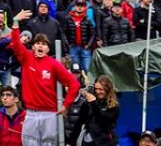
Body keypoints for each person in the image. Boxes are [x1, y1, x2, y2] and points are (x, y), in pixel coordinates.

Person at [9, 10, 80, 146]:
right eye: (38, 43)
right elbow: (16, 44)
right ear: (33, 46)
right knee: (29, 143)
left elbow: (74, 84)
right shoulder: (27, 58)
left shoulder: (54, 64)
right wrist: (15, 22)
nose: (40, 45)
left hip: (49, 113)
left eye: (44, 44)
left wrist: (66, 105)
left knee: (49, 143)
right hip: (31, 112)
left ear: (48, 49)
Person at [72, 75, 120, 145]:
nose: (98, 91)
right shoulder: (88, 104)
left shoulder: (113, 105)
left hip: (106, 142)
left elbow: (103, 120)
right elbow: (79, 123)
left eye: (101, 89)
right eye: (96, 89)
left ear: (107, 89)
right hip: (89, 141)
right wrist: (71, 141)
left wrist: (93, 103)